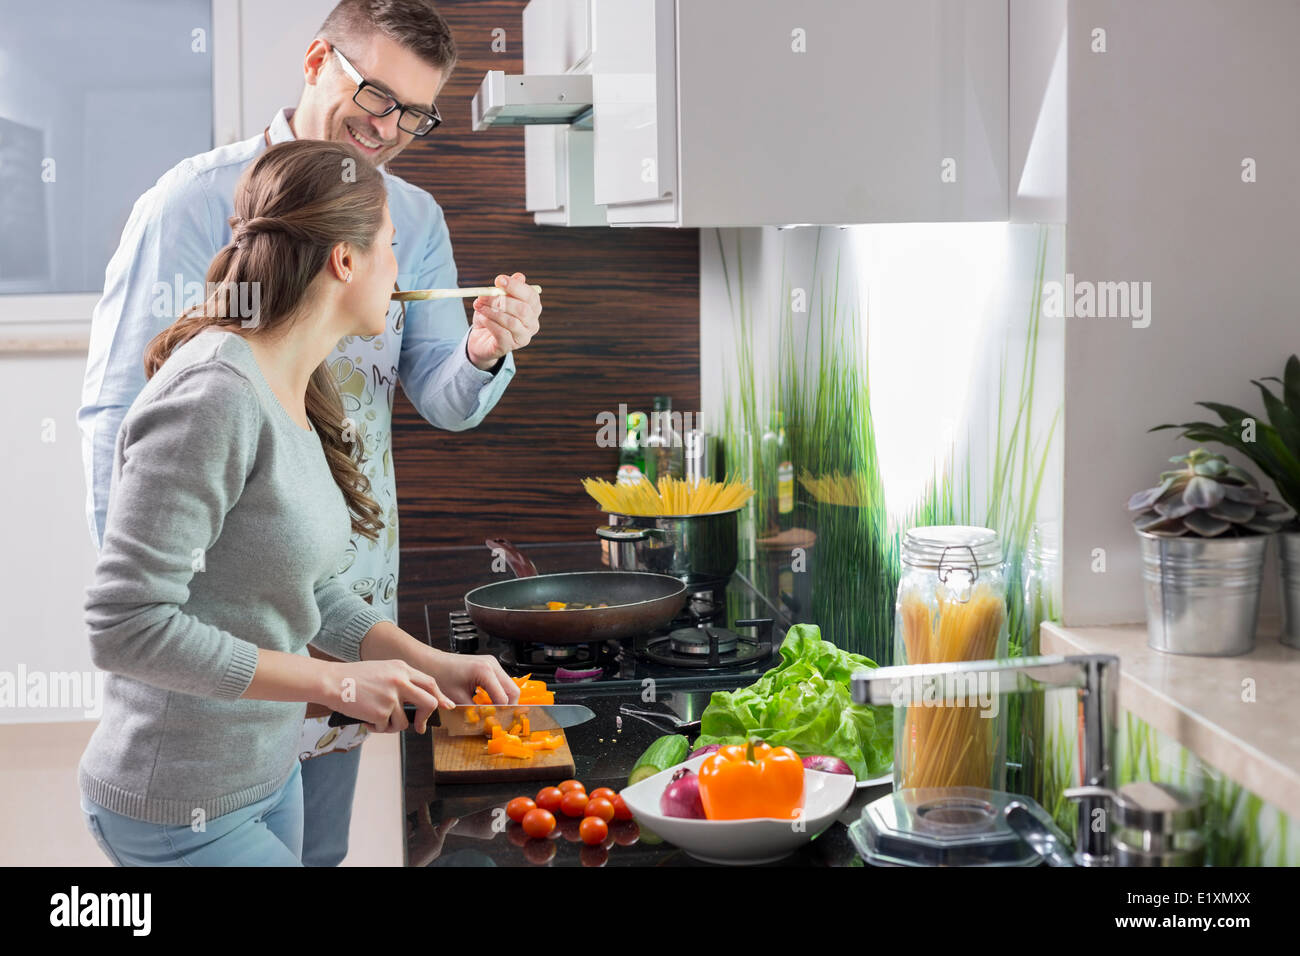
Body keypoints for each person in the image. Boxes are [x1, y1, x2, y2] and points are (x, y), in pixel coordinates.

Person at [77, 0, 541, 865]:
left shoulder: (398, 228)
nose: (391, 130)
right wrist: (158, 603)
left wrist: (483, 349)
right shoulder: (192, 215)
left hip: (327, 579)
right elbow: (122, 432)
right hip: (212, 640)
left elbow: (441, 398)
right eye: (377, 98)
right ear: (318, 58)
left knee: (313, 847)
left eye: (415, 115)